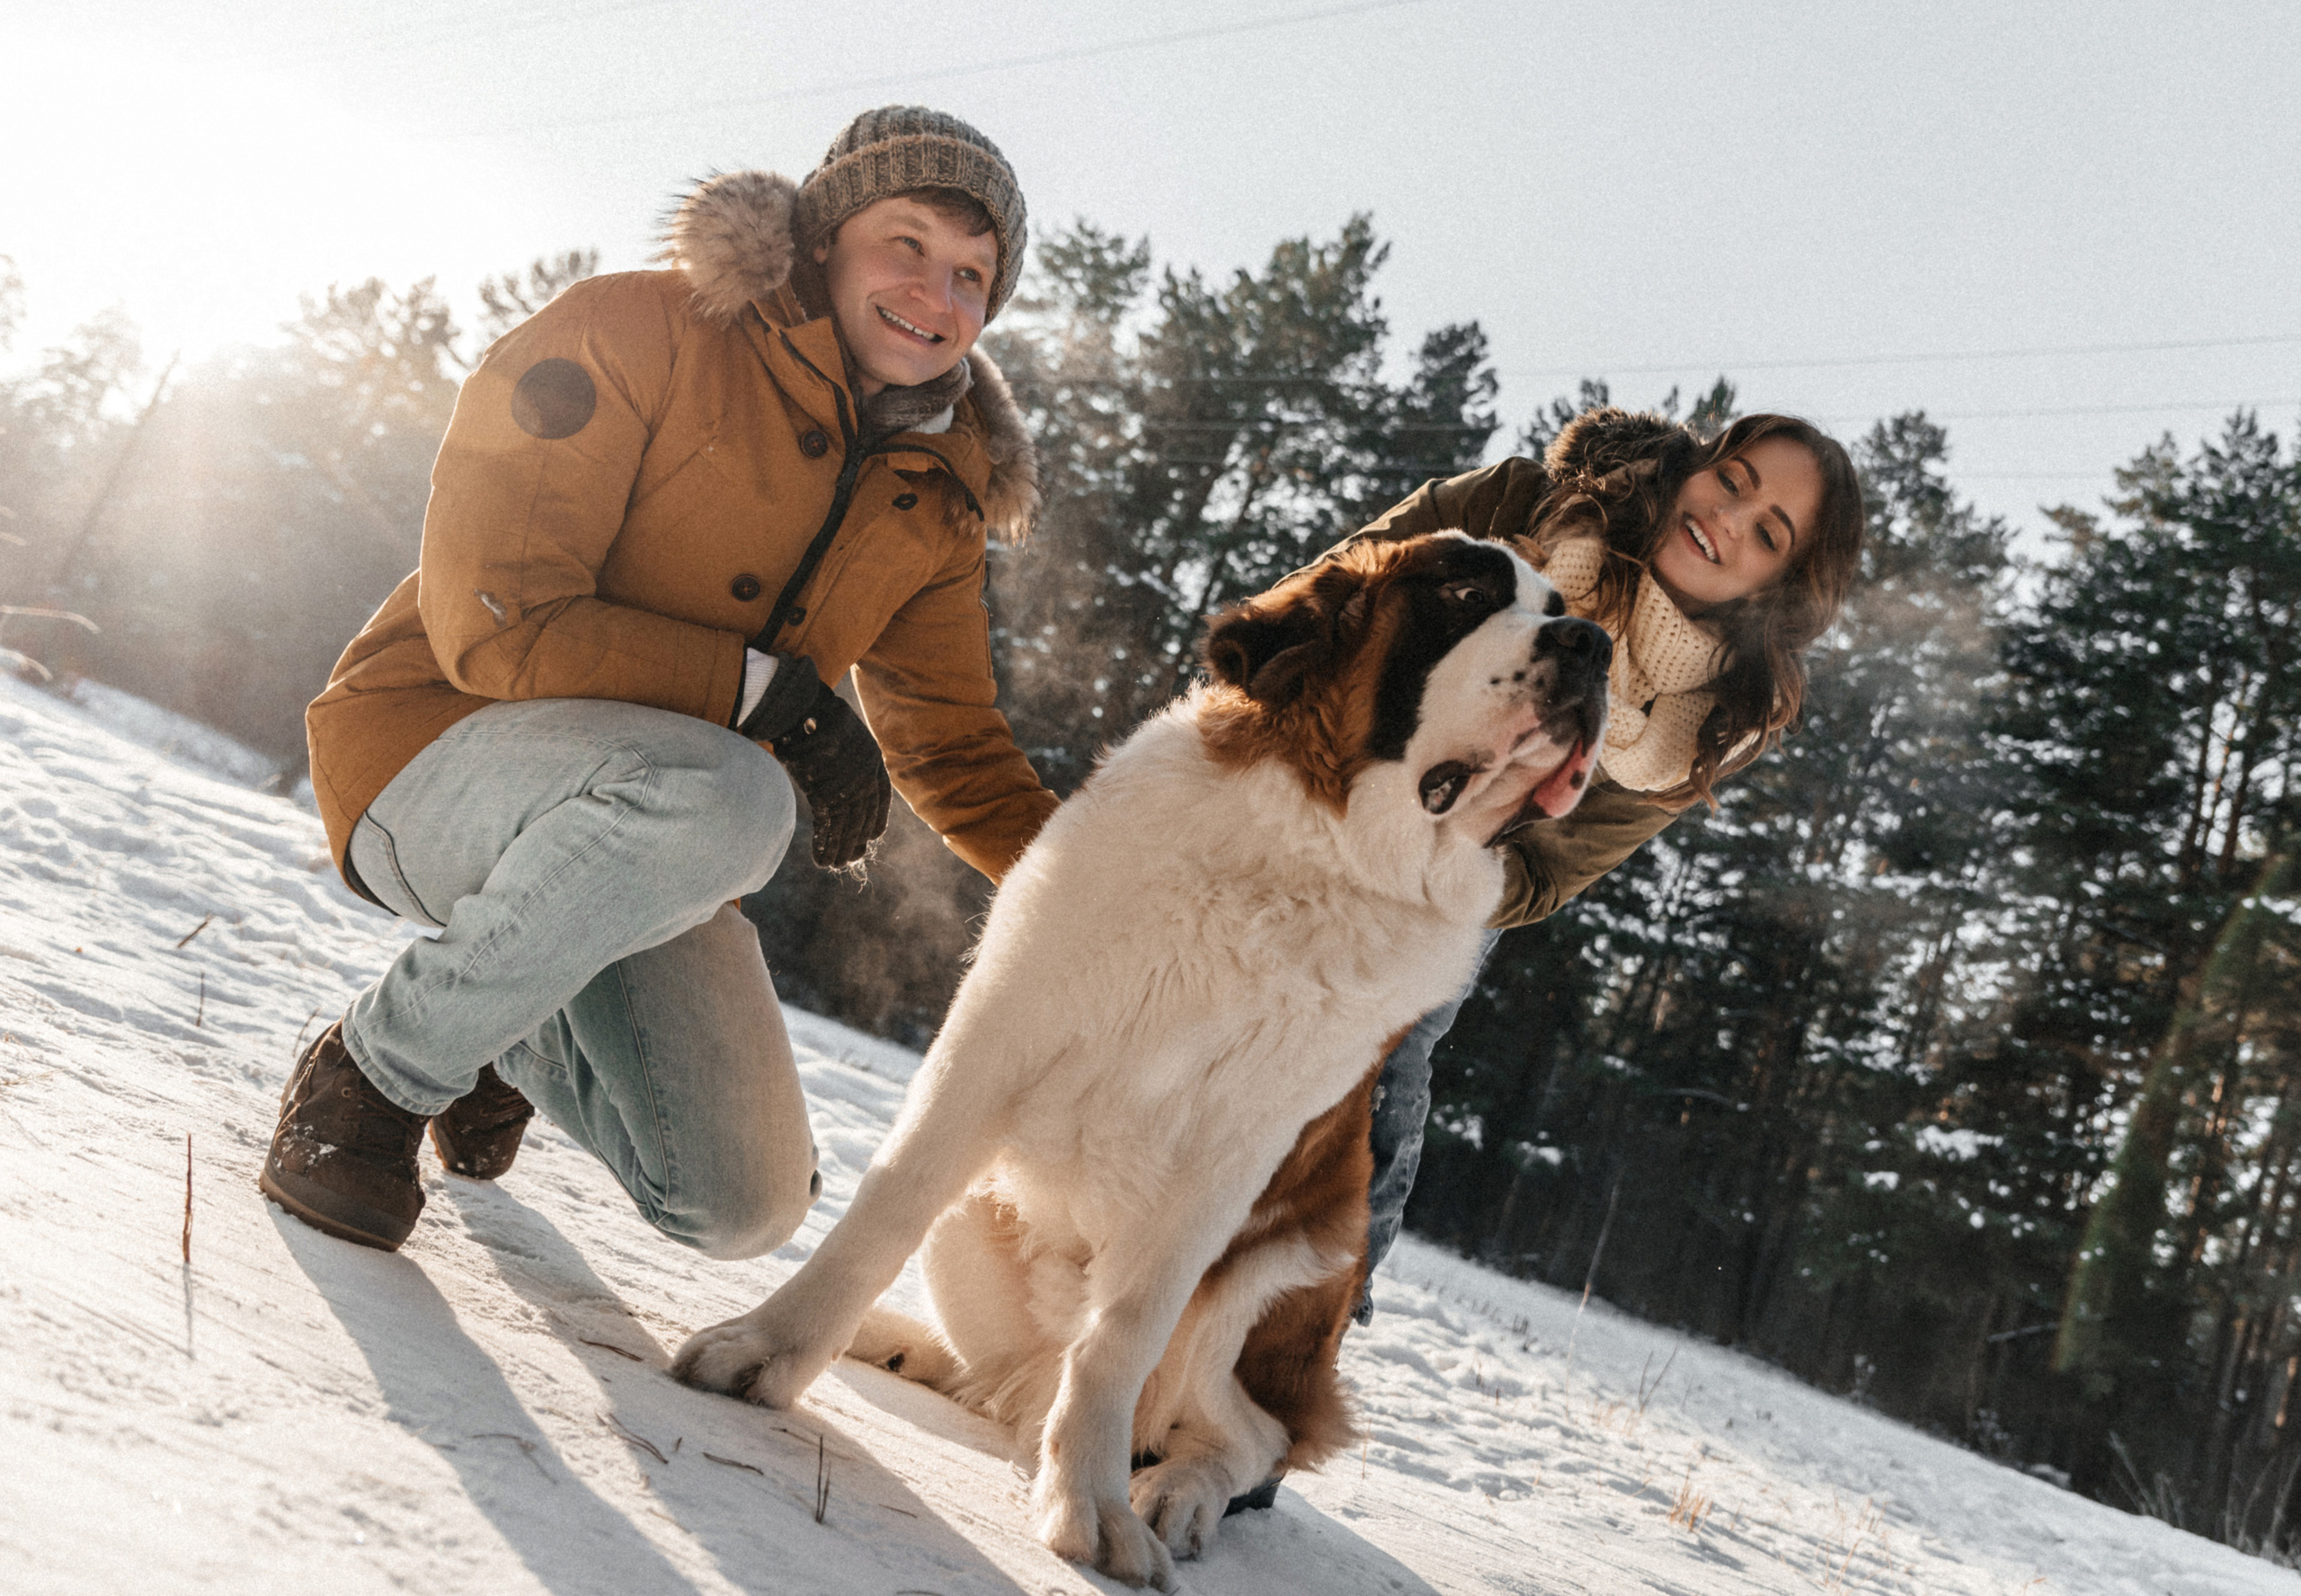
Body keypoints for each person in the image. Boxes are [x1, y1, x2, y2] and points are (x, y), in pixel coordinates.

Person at [261, 106, 1056, 1258]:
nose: (939, 297)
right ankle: (374, 1079)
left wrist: (1121, 903)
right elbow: (499, 621)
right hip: (433, 759)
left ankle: (505, 1026)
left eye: (974, 275)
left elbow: (957, 748)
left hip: (643, 849)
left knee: (739, 1205)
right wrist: (771, 697)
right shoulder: (639, 327)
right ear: (827, 235)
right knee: (743, 797)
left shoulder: (937, 492)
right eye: (910, 245)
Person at [1347, 405, 1867, 1323]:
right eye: (1732, 480)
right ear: (1696, 464)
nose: (1727, 518)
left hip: (1428, 902)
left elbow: (1544, 875)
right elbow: (1326, 594)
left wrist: (1434, 850)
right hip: (1298, 786)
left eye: (1768, 533)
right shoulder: (1524, 504)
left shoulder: (1698, 728)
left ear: (1779, 587)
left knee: (1369, 1091)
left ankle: (1275, 1371)